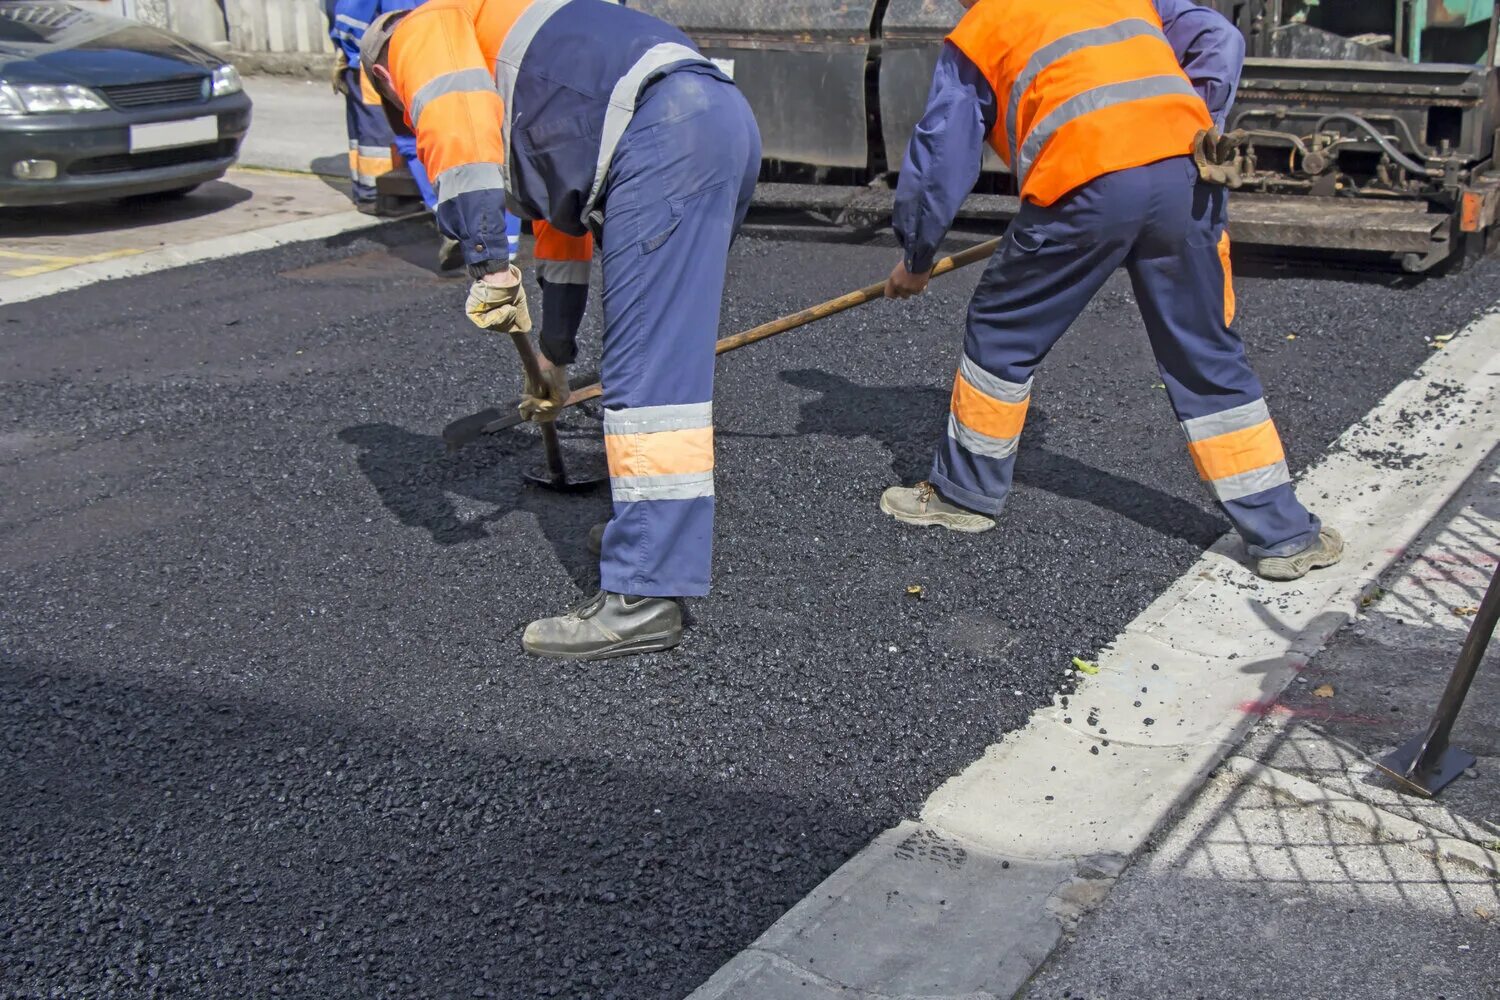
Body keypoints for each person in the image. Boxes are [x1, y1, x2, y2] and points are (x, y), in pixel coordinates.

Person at [878, 0, 1343, 582]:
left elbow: (943, 150)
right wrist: (1198, 125)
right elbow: (1220, 38)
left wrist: (917, 256)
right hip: (1186, 176)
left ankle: (964, 495)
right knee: (1206, 351)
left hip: (1085, 180)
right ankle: (1284, 534)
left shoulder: (982, 28)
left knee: (1002, 330)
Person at [360, 0, 761, 659]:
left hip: (664, 134)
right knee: (664, 358)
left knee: (650, 378)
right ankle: (647, 542)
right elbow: (562, 229)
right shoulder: (533, 66)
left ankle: (643, 596)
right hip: (718, 120)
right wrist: (556, 355)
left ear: (381, 74)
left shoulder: (416, 27)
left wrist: (487, 262)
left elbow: (455, 125)